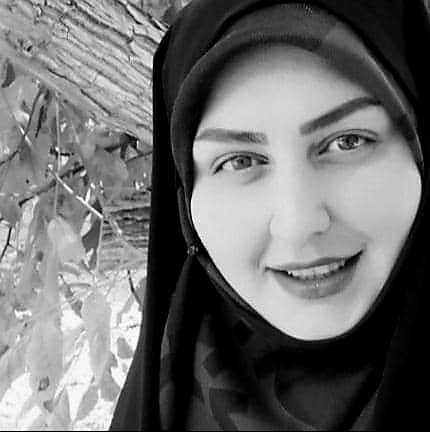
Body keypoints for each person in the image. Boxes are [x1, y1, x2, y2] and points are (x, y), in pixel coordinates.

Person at [110, 0, 430, 430]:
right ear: (185, 197)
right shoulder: (165, 392)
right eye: (240, 161)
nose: (298, 224)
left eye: (348, 141)